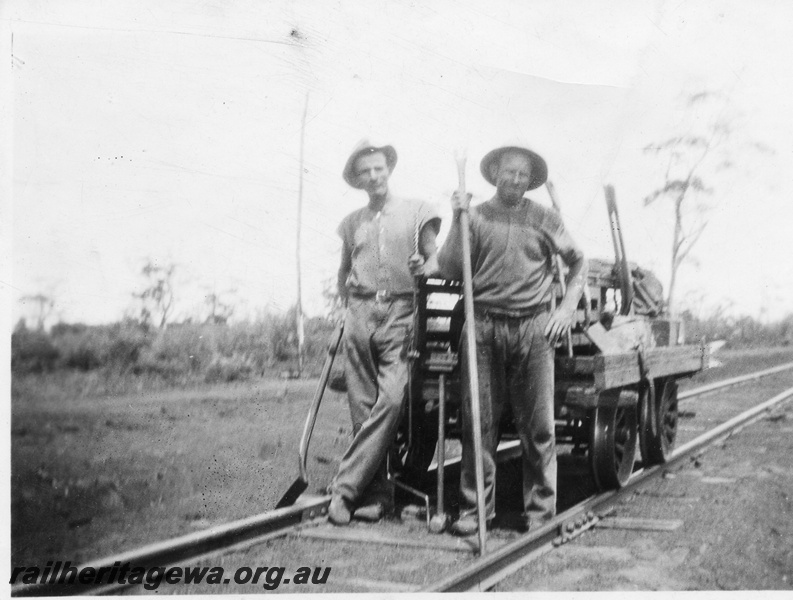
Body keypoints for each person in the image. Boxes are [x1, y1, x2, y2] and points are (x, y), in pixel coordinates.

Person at [437, 143, 587, 535]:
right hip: (483, 327)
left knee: (538, 427)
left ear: (530, 179)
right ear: (495, 174)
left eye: (523, 174)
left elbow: (578, 261)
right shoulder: (476, 215)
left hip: (533, 330)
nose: (516, 180)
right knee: (478, 424)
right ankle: (475, 511)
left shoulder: (545, 218)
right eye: (509, 172)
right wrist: (457, 217)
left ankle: (540, 513)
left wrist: (566, 309)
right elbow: (451, 267)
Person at [328, 140, 441, 525]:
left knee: (391, 401)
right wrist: (348, 315)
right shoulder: (351, 223)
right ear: (357, 179)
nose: (373, 176)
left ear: (388, 169)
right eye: (365, 172)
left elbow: (438, 260)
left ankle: (343, 491)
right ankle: (375, 496)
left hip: (402, 312)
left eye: (378, 168)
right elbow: (344, 273)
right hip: (359, 314)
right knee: (361, 409)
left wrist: (425, 268)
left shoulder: (418, 212)